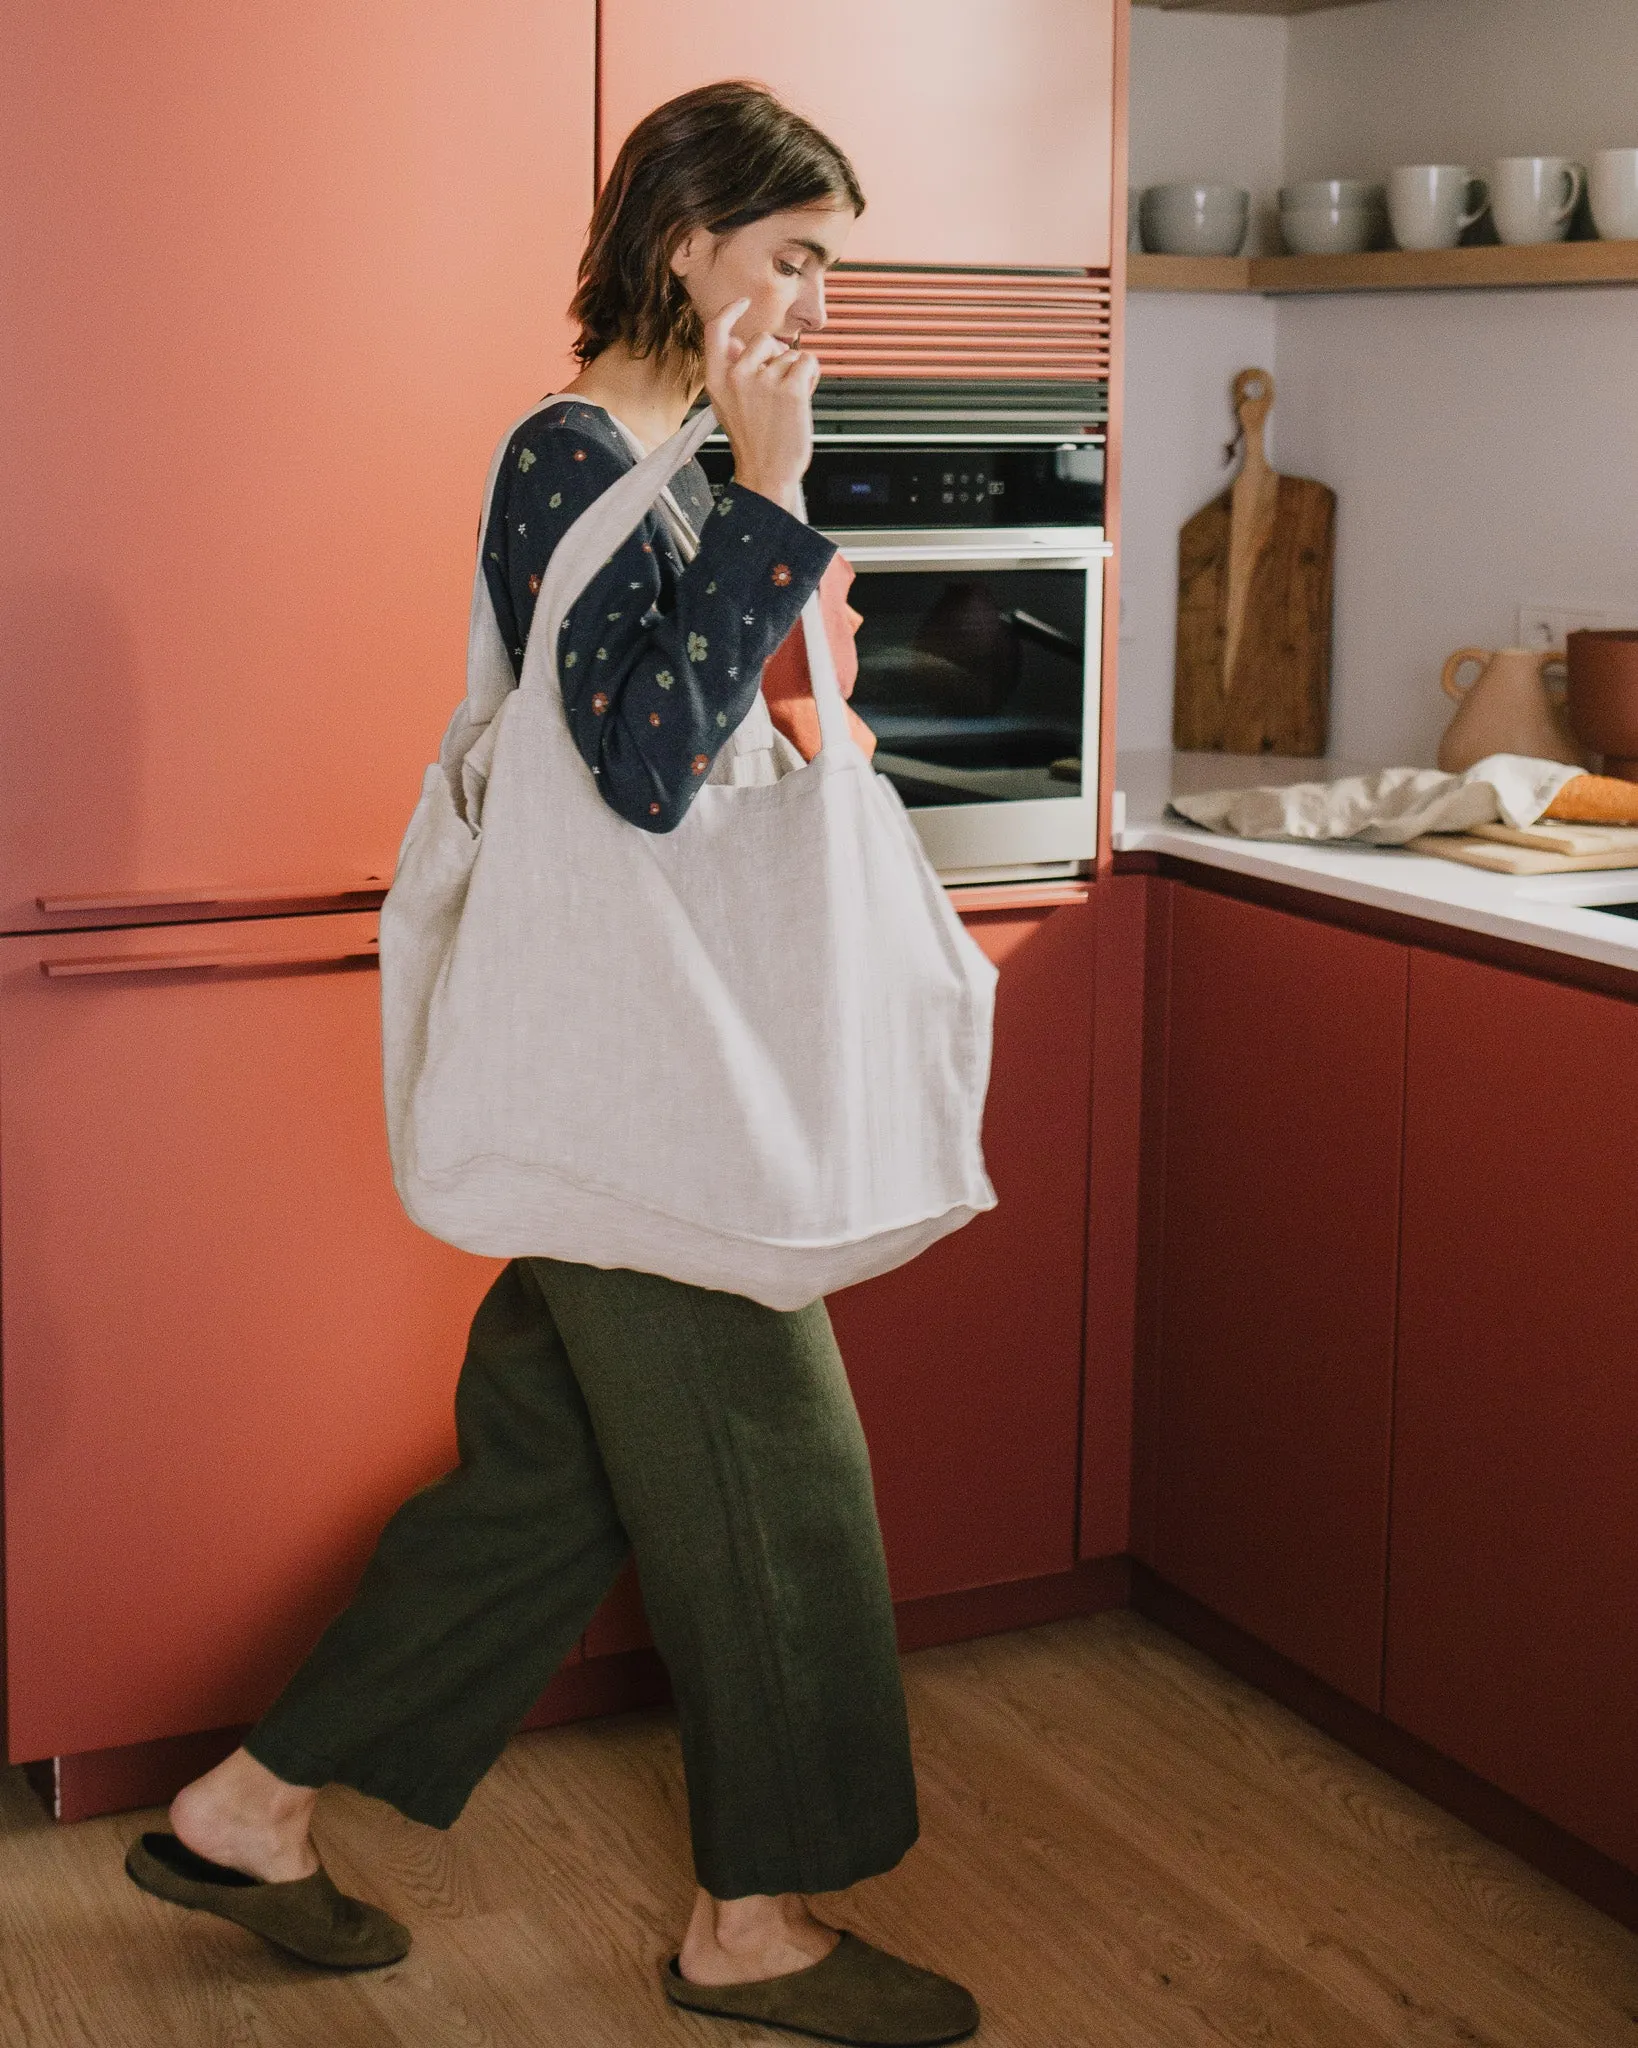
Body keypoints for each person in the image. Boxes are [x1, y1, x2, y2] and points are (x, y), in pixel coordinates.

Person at [122, 81, 981, 2048]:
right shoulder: (576, 455)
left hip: (630, 1080)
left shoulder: (673, 455)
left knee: (549, 1481)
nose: (822, 305)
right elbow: (640, 767)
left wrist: (762, 493)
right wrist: (773, 493)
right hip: (646, 1091)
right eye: (800, 258)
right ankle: (753, 1925)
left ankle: (249, 1810)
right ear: (691, 241)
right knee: (781, 1470)